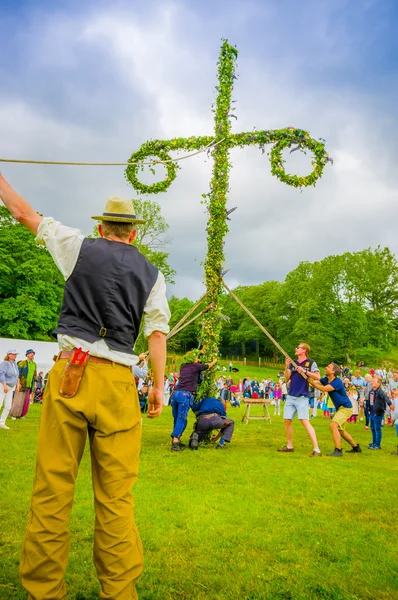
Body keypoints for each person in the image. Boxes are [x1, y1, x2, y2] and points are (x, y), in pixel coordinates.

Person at [0, 173, 170, 600]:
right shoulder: (153, 273)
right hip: (117, 382)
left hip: (70, 374)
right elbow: (157, 335)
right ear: (133, 233)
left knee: (53, 487)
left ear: (101, 228)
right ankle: (118, 591)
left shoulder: (77, 244)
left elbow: (22, 212)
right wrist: (157, 387)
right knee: (116, 495)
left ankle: (44, 590)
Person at [278, 343, 322, 457]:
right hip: (291, 395)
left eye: (298, 347)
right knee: (287, 420)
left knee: (304, 421)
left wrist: (304, 371)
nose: (296, 348)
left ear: (304, 350)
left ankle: (317, 449)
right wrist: (287, 367)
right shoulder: (294, 363)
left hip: (302, 396)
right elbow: (287, 379)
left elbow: (318, 376)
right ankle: (289, 446)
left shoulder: (310, 363)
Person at [309, 364, 361, 456]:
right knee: (341, 431)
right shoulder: (326, 379)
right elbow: (318, 382)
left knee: (333, 425)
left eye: (328, 367)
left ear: (333, 371)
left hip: (346, 408)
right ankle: (356, 447)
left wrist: (312, 383)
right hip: (341, 408)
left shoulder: (337, 382)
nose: (325, 367)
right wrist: (308, 379)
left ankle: (338, 450)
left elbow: (324, 388)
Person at [170, 350, 217, 451]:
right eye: (196, 358)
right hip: (184, 395)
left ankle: (176, 440)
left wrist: (200, 351)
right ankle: (175, 442)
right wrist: (214, 361)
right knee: (182, 419)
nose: (198, 359)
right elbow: (207, 366)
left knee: (177, 418)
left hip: (176, 394)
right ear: (193, 359)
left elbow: (196, 359)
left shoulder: (183, 366)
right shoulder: (195, 367)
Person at [365, 376, 392, 450]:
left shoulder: (380, 391)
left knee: (377, 428)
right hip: (372, 412)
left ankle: (377, 444)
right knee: (373, 428)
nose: (372, 382)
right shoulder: (371, 391)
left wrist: (390, 404)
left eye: (374, 381)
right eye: (372, 381)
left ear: (379, 383)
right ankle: (373, 443)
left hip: (378, 412)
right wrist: (369, 409)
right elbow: (370, 402)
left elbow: (385, 397)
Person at [0, 350, 20, 429]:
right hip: (3, 386)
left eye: (16, 354)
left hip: (11, 387)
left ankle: (2, 422)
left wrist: (18, 384)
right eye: (13, 354)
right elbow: (1, 374)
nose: (15, 355)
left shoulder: (15, 364)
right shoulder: (5, 363)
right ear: (9, 355)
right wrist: (4, 385)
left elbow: (17, 375)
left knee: (8, 406)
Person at [14, 349, 37, 417]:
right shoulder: (22, 363)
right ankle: (14, 414)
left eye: (33, 353)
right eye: (30, 353)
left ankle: (22, 414)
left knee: (26, 401)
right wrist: (18, 384)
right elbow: (18, 374)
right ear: (27, 355)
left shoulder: (34, 364)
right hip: (21, 385)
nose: (32, 354)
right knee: (18, 400)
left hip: (29, 385)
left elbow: (35, 375)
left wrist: (35, 384)